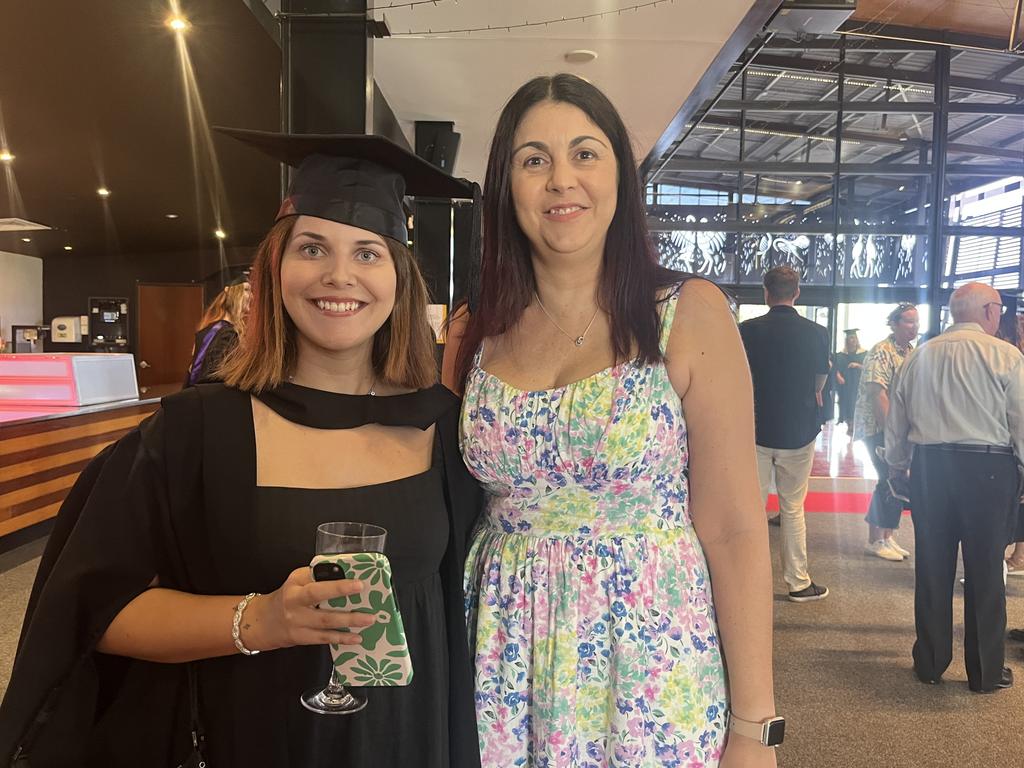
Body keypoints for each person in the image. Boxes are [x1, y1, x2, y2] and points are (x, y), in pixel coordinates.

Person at [0, 131, 482, 767]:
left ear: (400, 279)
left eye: (369, 252)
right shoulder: (197, 434)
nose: (340, 275)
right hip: (248, 739)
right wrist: (262, 620)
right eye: (313, 248)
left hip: (406, 743)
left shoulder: (445, 429)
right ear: (276, 269)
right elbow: (94, 613)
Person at [443, 74, 779, 768]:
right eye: (534, 159)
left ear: (621, 177)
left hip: (652, 669)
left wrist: (755, 726)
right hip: (504, 667)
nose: (561, 180)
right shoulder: (472, 332)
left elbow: (735, 528)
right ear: (506, 185)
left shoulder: (688, 314)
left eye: (585, 154)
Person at [886, 283, 1024, 693]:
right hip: (989, 469)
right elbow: (1021, 420)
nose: (1001, 315)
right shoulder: (1006, 356)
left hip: (930, 467)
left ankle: (929, 662)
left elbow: (898, 420)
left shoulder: (920, 356)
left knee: (932, 566)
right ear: (986, 311)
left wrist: (897, 465)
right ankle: (984, 671)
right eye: (999, 308)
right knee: (985, 571)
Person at [739, 266, 830, 604]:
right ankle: (798, 582)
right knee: (793, 508)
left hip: (756, 428)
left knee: (752, 507)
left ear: (766, 292)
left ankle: (747, 582)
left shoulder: (746, 330)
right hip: (799, 430)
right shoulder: (817, 332)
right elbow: (819, 382)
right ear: (797, 292)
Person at [853, 303, 919, 561]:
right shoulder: (882, 351)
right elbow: (876, 392)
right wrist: (891, 431)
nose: (914, 327)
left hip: (901, 428)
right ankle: (874, 539)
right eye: (908, 322)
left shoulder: (911, 352)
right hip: (878, 426)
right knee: (887, 478)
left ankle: (888, 536)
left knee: (897, 480)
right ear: (893, 323)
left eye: (916, 322)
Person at [183, 274, 250, 386]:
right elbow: (215, 383)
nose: (251, 296)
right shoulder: (225, 335)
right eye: (246, 289)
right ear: (231, 292)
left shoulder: (206, 332)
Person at [834, 328, 865, 430]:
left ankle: (855, 423)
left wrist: (857, 365)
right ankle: (847, 422)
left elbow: (868, 368)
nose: (853, 340)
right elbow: (835, 367)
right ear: (846, 341)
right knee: (844, 401)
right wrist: (838, 375)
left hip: (858, 383)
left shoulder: (864, 354)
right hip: (845, 384)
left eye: (854, 338)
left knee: (855, 401)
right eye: (850, 338)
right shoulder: (841, 355)